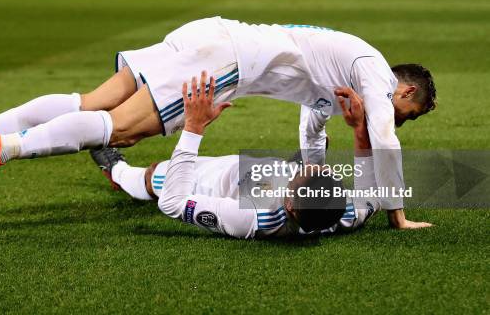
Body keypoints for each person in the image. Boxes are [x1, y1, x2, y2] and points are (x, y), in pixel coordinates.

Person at [0, 17, 435, 229]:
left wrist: (315, 178)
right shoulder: (372, 70)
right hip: (229, 58)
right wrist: (397, 214)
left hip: (212, 33)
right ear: (404, 90)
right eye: (404, 111)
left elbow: (313, 128)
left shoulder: (339, 76)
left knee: (92, 100)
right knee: (122, 128)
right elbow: (385, 135)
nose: (395, 118)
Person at [89, 78, 384, 239]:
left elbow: (172, 204)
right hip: (260, 175)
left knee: (155, 177)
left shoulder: (252, 219)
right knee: (303, 167)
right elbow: (372, 193)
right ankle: (295, 165)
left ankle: (116, 170)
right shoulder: (348, 212)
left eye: (296, 179)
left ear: (290, 207)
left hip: (218, 182)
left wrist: (193, 127)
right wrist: (359, 128)